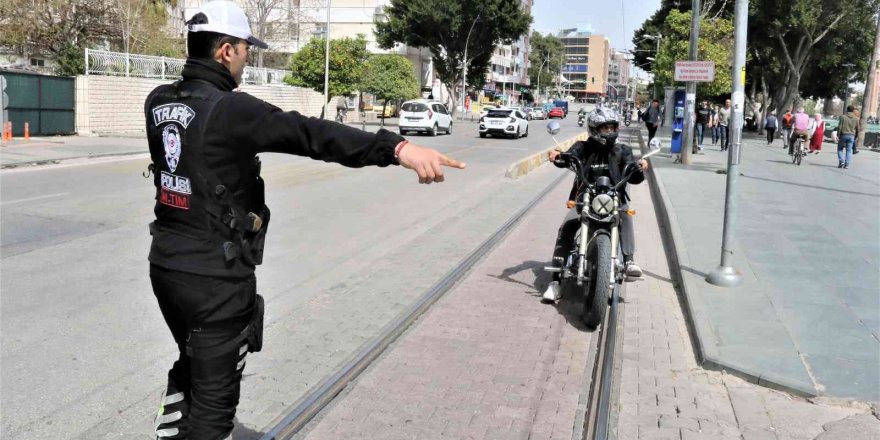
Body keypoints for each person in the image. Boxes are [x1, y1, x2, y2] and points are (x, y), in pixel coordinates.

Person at [144, 2, 465, 438]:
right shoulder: (232, 111)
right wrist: (397, 149)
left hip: (166, 267)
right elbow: (312, 134)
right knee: (214, 409)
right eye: (244, 49)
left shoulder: (158, 101)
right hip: (214, 280)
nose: (246, 57)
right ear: (224, 51)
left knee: (192, 362)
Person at [542, 107, 648, 302]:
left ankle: (630, 261)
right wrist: (557, 156)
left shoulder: (622, 150)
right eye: (604, 128)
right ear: (594, 129)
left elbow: (634, 178)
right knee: (568, 225)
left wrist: (639, 168)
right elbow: (568, 157)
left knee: (626, 215)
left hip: (613, 199)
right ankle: (556, 281)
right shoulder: (582, 147)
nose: (609, 131)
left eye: (612, 127)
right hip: (585, 198)